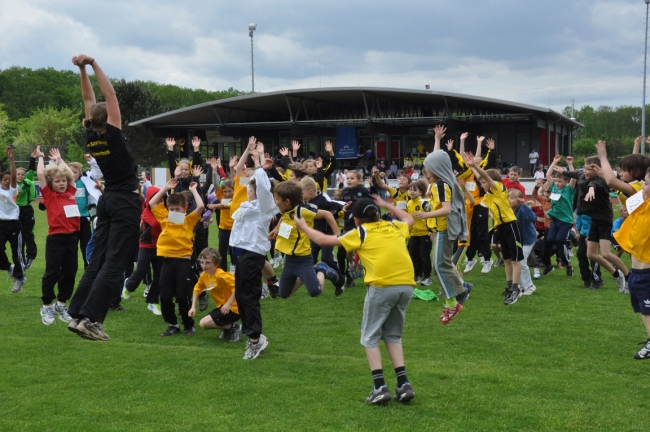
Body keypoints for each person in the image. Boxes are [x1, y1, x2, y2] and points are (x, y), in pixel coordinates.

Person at [295, 196, 416, 404]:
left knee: (369, 337)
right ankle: (403, 385)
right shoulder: (394, 225)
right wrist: (388, 205)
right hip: (406, 286)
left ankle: (379, 387)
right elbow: (409, 219)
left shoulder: (361, 232)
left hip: (381, 286)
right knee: (393, 335)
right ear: (378, 214)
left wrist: (302, 225)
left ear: (357, 220)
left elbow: (324, 241)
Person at [67, 54, 142, 341]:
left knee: (98, 260)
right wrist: (94, 63)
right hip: (124, 201)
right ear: (107, 118)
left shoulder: (92, 137)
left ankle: (78, 314)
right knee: (115, 262)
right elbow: (108, 94)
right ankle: (92, 320)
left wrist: (82, 69)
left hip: (109, 198)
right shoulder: (112, 134)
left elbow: (89, 98)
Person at [230, 138, 277, 360]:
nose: (249, 190)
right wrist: (249, 154)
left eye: (251, 188)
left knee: (248, 297)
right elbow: (239, 172)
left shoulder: (265, 206)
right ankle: (253, 336)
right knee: (241, 295)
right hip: (242, 253)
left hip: (253, 254)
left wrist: (259, 161)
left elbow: (264, 187)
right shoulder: (247, 204)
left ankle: (255, 339)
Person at [463, 152, 524, 305]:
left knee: (516, 260)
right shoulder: (488, 195)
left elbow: (486, 176)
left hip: (511, 226)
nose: (482, 185)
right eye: (481, 182)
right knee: (508, 259)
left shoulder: (498, 187)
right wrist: (472, 167)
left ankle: (516, 289)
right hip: (501, 228)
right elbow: (480, 177)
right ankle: (510, 287)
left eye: (483, 182)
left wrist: (474, 165)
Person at [564, 151, 628, 292]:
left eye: (588, 169)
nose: (585, 171)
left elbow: (595, 184)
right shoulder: (583, 176)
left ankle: (628, 276)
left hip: (604, 220)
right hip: (594, 220)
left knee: (605, 254)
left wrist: (591, 190)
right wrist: (558, 168)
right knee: (590, 254)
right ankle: (617, 275)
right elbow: (575, 174)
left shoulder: (601, 181)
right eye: (584, 168)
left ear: (597, 169)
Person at [149, 178, 204, 337]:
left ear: (185, 208)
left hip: (184, 262)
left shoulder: (189, 220)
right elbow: (153, 203)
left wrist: (194, 190)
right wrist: (165, 187)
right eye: (171, 209)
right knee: (165, 296)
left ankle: (188, 324)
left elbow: (200, 206)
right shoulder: (165, 218)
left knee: (181, 295)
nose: (174, 212)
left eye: (177, 209)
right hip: (167, 261)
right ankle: (173, 324)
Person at [420, 149, 470, 321]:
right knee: (442, 265)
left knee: (440, 266)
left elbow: (446, 209)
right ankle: (462, 289)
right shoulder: (436, 185)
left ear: (437, 168)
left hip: (444, 228)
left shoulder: (441, 185)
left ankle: (453, 303)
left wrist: (425, 215)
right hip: (441, 229)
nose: (425, 171)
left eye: (428, 168)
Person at [272, 180, 339, 299]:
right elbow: (285, 217)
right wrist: (276, 228)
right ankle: (305, 276)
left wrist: (338, 236)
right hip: (289, 261)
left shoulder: (301, 211)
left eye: (277, 199)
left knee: (315, 291)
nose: (275, 202)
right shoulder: (286, 211)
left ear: (287, 201)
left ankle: (322, 269)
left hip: (303, 259)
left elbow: (327, 214)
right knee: (283, 294)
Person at [35, 146, 79, 325]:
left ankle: (61, 304)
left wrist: (61, 160)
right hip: (56, 239)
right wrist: (40, 157)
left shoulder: (70, 192)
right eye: (57, 181)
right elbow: (40, 175)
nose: (61, 183)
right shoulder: (49, 195)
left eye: (63, 181)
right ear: (51, 184)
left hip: (72, 238)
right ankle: (46, 306)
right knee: (52, 272)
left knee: (70, 272)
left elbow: (70, 174)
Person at [613, 168, 650, 359]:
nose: (644, 187)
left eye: (648, 184)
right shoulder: (642, 205)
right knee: (643, 310)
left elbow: (612, 181)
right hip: (637, 272)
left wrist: (603, 157)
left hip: (646, 272)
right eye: (644, 182)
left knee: (647, 309)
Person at [121, 185, 163, 315]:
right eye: (157, 198)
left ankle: (153, 301)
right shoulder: (146, 212)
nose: (160, 201)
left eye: (162, 199)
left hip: (161, 247)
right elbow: (156, 224)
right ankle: (128, 285)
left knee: (159, 276)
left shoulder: (165, 210)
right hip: (146, 245)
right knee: (141, 270)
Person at [188, 247, 242, 342]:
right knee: (205, 323)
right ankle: (228, 328)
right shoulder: (204, 275)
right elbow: (197, 289)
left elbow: (238, 286)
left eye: (207, 263)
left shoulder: (221, 275)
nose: (204, 265)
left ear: (216, 264)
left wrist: (229, 304)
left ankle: (234, 327)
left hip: (235, 307)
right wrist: (193, 307)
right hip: (222, 307)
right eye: (202, 262)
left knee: (204, 323)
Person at [539, 155, 576, 277]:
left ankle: (568, 265)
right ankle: (551, 264)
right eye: (556, 181)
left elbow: (574, 178)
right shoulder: (553, 187)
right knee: (550, 240)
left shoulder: (569, 190)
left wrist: (570, 165)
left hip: (566, 220)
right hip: (554, 219)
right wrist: (554, 162)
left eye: (560, 181)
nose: (557, 183)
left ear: (566, 182)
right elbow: (548, 175)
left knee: (560, 241)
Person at [1, 147, 28, 294]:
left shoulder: (12, 189)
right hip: (0, 224)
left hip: (13, 224)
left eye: (8, 179)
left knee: (16, 253)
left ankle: (20, 278)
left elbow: (12, 175)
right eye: (4, 179)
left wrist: (11, 159)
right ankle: (10, 269)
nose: (6, 181)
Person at [509, 190, 537, 295]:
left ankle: (529, 286)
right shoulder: (510, 209)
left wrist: (524, 205)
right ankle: (520, 286)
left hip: (528, 239)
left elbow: (532, 218)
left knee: (521, 262)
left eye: (512, 198)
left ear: (519, 200)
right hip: (518, 240)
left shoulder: (523, 209)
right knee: (516, 261)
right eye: (509, 198)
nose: (509, 200)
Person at [406, 180, 432, 286]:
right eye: (410, 190)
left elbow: (431, 216)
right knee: (413, 255)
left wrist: (431, 231)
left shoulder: (424, 203)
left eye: (414, 190)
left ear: (420, 192)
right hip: (413, 234)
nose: (411, 192)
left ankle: (427, 277)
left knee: (424, 255)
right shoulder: (409, 203)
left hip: (424, 233)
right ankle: (416, 275)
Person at [15, 149, 38, 269]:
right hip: (15, 211)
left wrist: (32, 158)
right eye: (17, 174)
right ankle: (21, 259)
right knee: (19, 236)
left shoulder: (27, 181)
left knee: (28, 234)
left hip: (27, 210)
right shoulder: (12, 185)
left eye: (22, 174)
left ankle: (30, 256)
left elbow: (31, 169)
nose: (20, 176)